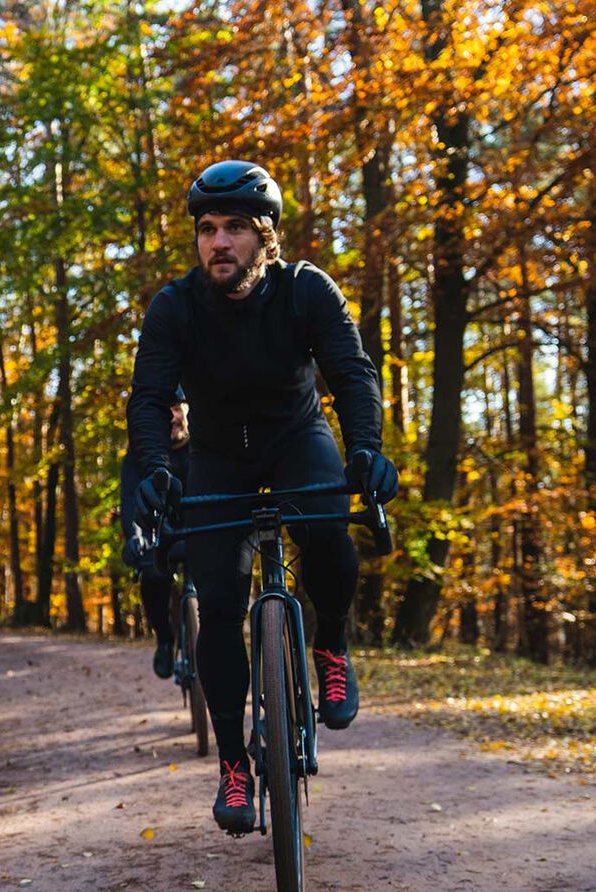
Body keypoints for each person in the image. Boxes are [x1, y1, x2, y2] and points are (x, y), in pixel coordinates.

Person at [125, 160, 398, 836]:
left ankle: (329, 647)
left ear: (265, 237)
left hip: (295, 437)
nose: (218, 243)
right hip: (217, 456)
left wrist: (365, 447)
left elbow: (351, 373)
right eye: (207, 229)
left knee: (329, 534)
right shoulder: (175, 306)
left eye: (236, 229)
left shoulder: (306, 291)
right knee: (218, 603)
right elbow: (150, 398)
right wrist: (156, 469)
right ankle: (232, 765)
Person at [120, 402, 192, 678]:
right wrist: (135, 537)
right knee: (151, 574)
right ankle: (164, 639)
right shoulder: (141, 454)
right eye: (165, 410)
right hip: (161, 533)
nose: (172, 417)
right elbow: (129, 499)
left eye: (176, 408)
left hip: (199, 528)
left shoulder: (203, 445)